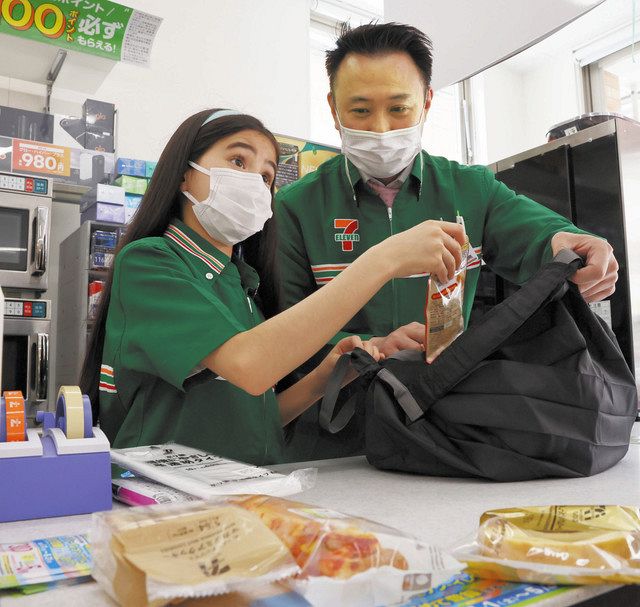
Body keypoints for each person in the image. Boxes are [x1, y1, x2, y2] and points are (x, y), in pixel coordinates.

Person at [275, 22, 618, 459]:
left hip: (442, 422)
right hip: (335, 431)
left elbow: (542, 235)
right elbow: (285, 333)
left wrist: (580, 246)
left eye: (399, 109)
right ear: (333, 107)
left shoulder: (472, 190)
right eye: (360, 111)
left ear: (427, 103)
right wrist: (372, 348)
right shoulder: (296, 207)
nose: (381, 130)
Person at [80, 108, 467, 465]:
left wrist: (328, 375)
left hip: (246, 489)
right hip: (168, 496)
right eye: (237, 161)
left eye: (265, 176)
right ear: (184, 172)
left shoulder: (242, 283)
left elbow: (257, 417)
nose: (253, 183)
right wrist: (384, 260)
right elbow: (249, 365)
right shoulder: (150, 262)